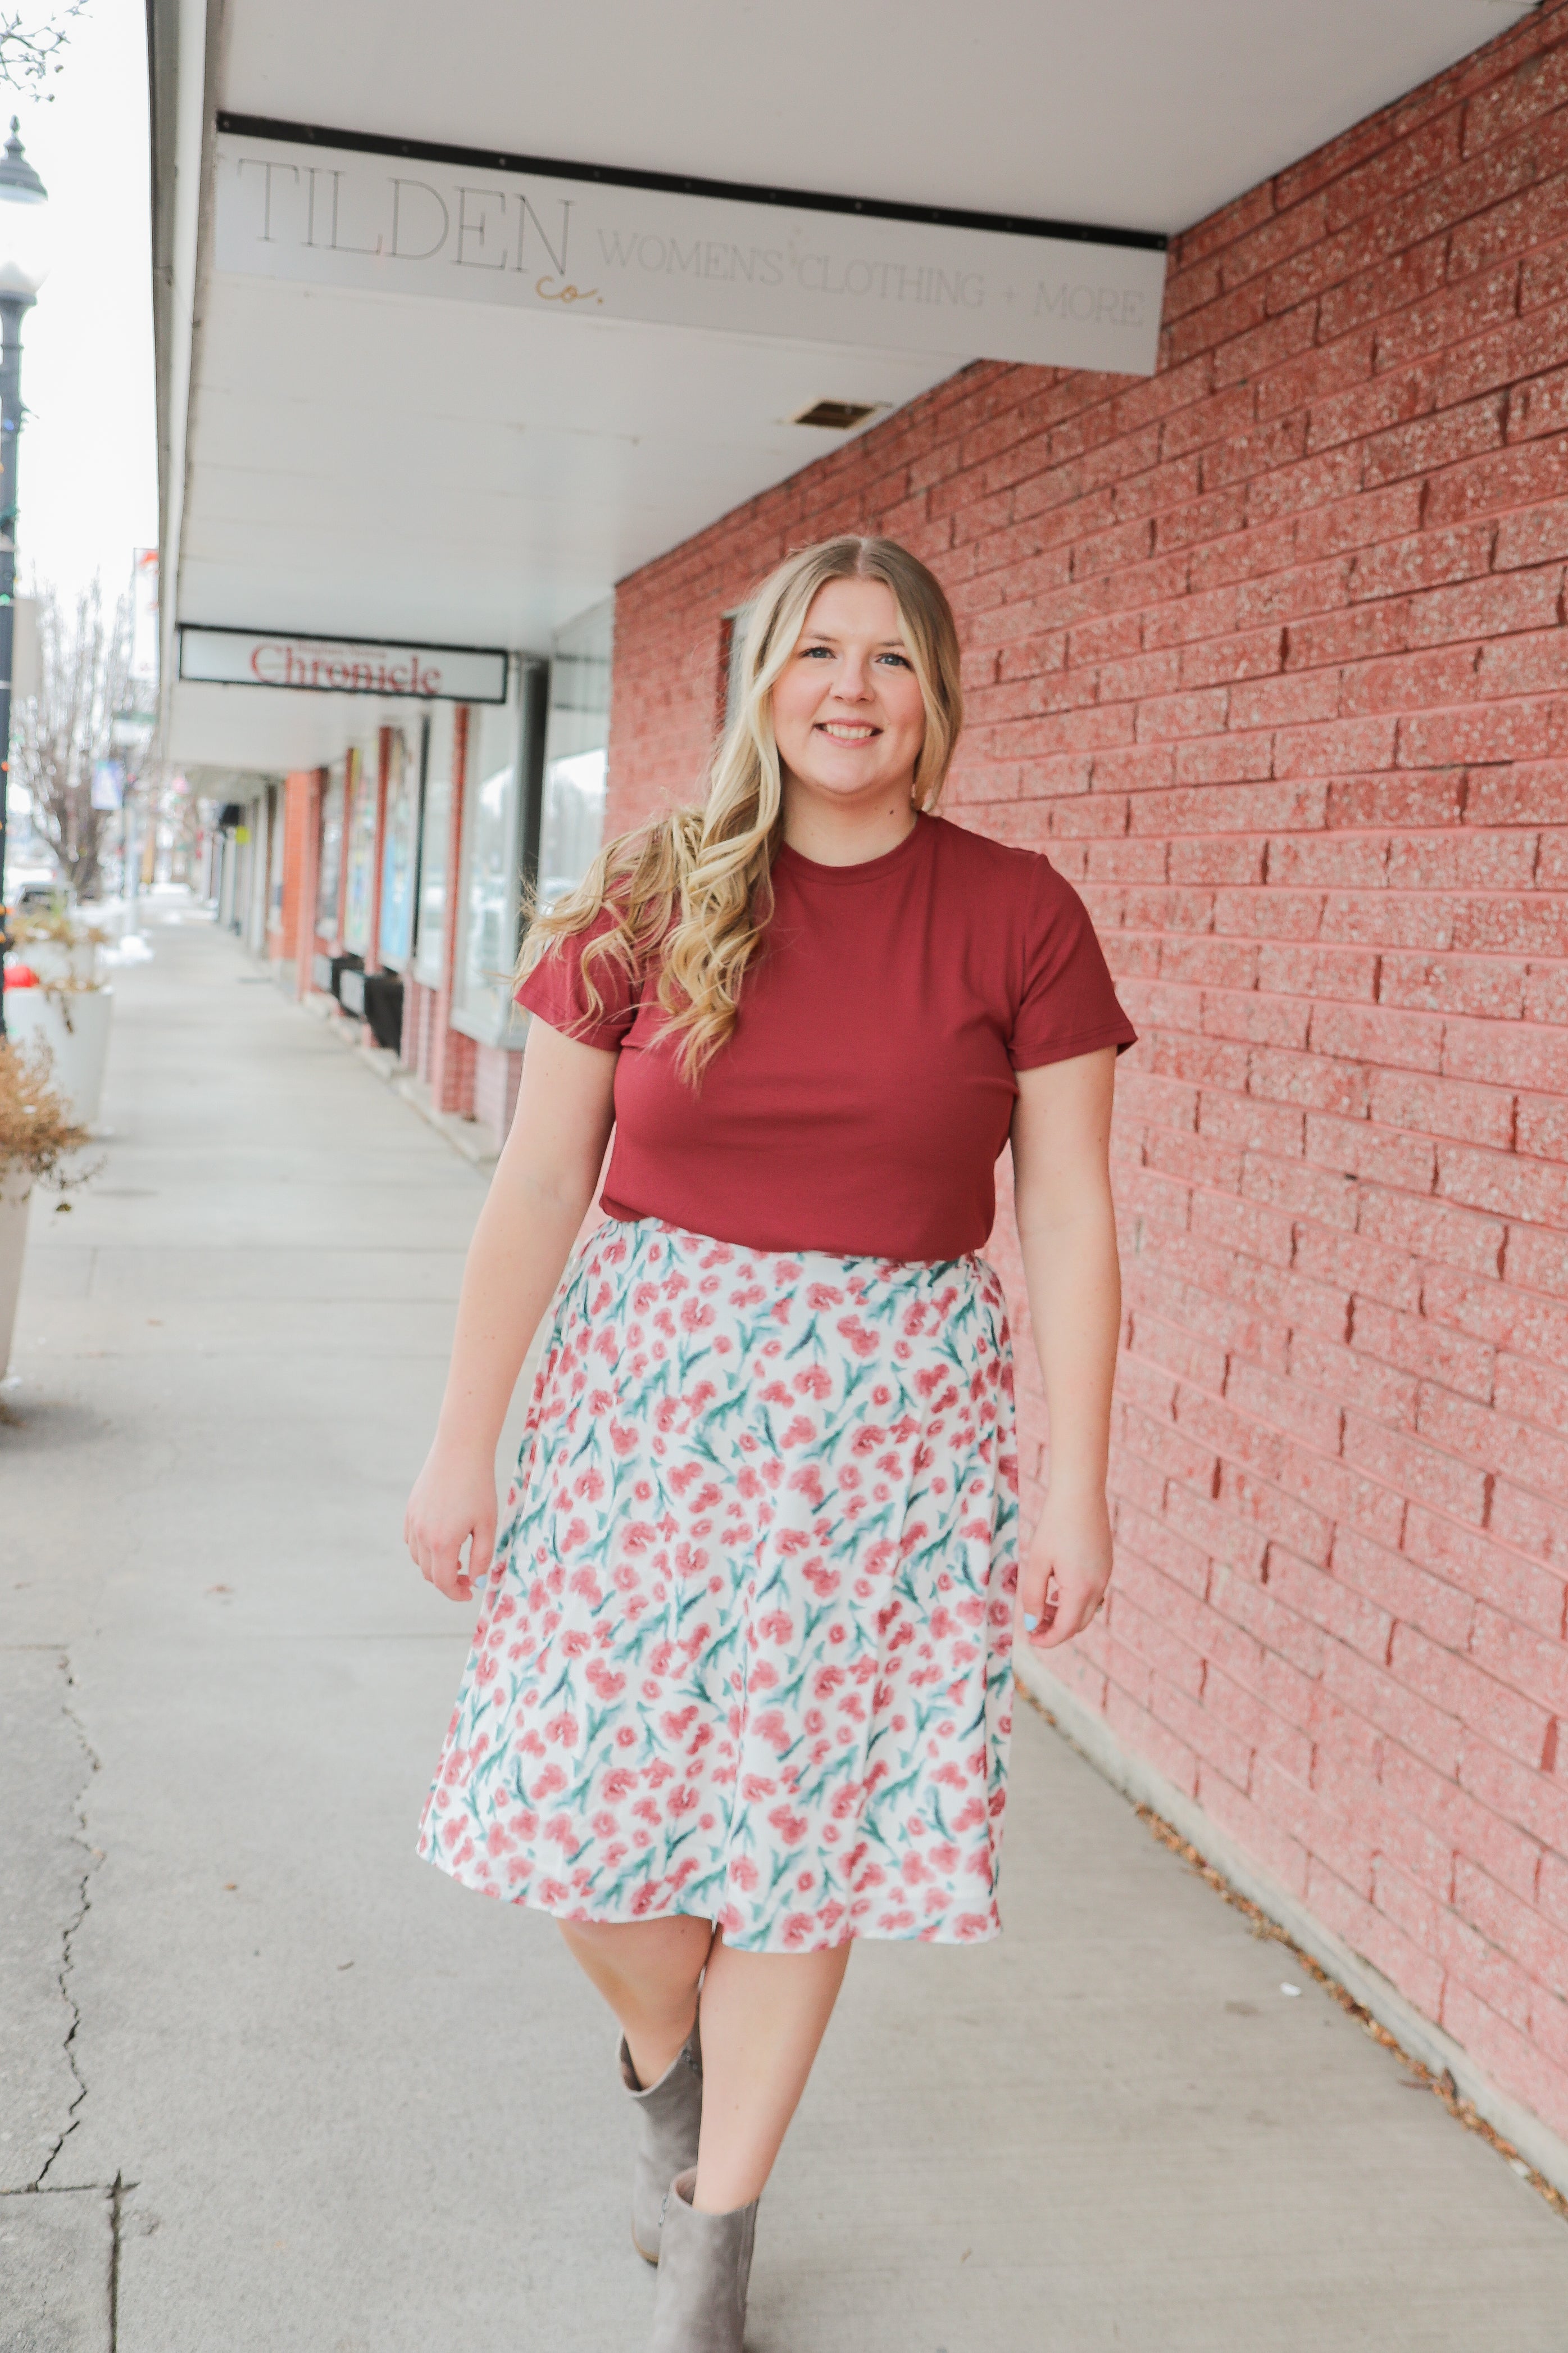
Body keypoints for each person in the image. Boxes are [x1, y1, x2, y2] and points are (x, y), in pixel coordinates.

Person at [405, 534, 1135, 2350]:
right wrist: (460, 1444)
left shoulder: (1021, 912)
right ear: (766, 682)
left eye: (892, 659)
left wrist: (1075, 1481)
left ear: (937, 694)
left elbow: (1067, 1217)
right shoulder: (649, 893)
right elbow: (538, 1183)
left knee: (803, 1844)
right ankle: (675, 2072)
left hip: (892, 1431)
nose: (853, 689)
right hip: (638, 1411)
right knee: (573, 1823)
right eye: (821, 651)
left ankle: (713, 2247)